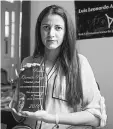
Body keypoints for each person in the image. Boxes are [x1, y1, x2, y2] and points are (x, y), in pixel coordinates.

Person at [10, 5, 107, 129]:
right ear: (39, 30)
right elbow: (20, 116)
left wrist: (51, 118)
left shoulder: (80, 63)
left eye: (58, 28)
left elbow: (96, 118)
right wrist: (17, 102)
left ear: (66, 32)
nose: (51, 33)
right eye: (46, 27)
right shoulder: (27, 62)